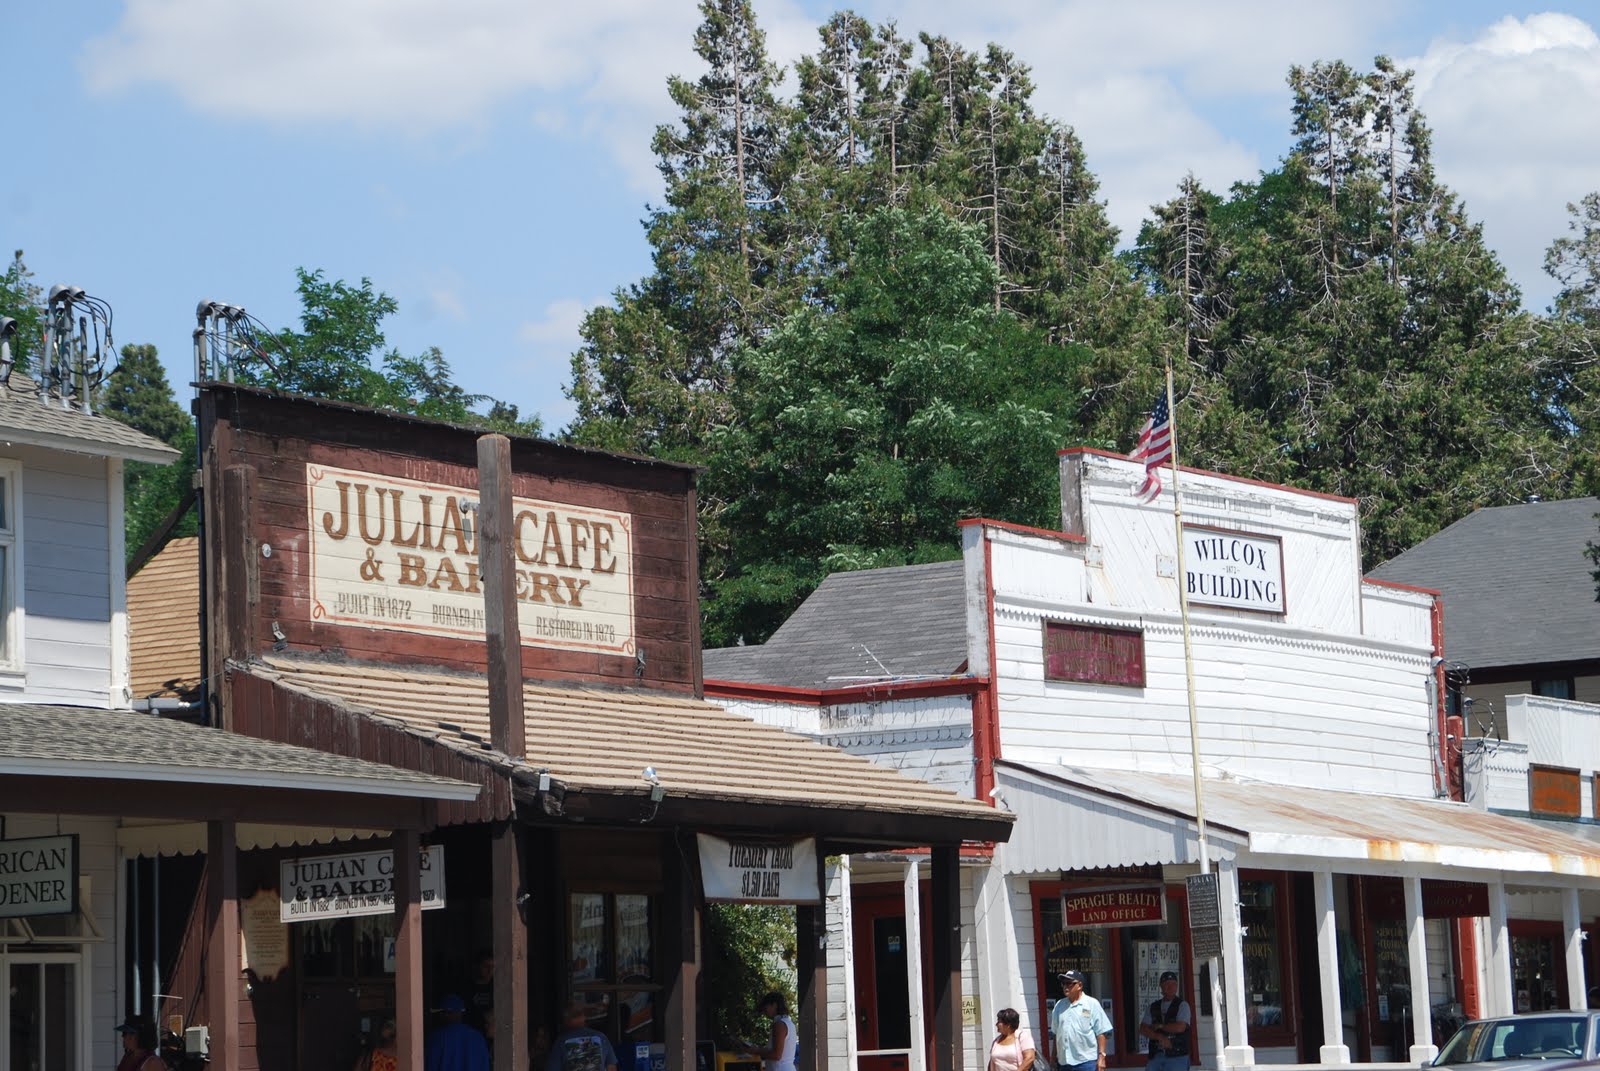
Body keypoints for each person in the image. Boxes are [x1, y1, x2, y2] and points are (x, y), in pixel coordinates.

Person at [1050, 971, 1111, 1071]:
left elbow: (1101, 1032)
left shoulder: (1091, 1004)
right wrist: (1053, 1058)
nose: (1065, 986)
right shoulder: (1059, 1006)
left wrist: (1102, 1057)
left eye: (1069, 983)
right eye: (1063, 983)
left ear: (1079, 985)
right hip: (1064, 1063)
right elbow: (1056, 1034)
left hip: (1086, 1063)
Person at [1138, 972, 1191, 1071]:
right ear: (1161, 987)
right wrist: (1158, 1037)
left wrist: (1160, 1026)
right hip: (1156, 1055)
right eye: (1167, 984)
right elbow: (1143, 1028)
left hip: (1177, 1055)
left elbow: (1180, 1027)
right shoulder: (1153, 1007)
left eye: (1173, 984)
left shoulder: (1182, 1005)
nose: (1171, 987)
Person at [547, 999, 619, 1071]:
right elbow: (611, 1068)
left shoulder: (561, 1041)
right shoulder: (601, 1037)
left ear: (566, 1019)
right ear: (583, 1017)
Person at [426, 994, 490, 1071]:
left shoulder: (435, 1038)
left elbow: (430, 1066)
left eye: (441, 1012)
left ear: (446, 1013)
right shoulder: (478, 1037)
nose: (440, 1015)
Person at [740, 992, 797, 1071]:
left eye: (765, 1007)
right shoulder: (790, 1024)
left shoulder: (779, 1024)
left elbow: (776, 1055)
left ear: (774, 1005)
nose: (764, 1011)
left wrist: (756, 1051)